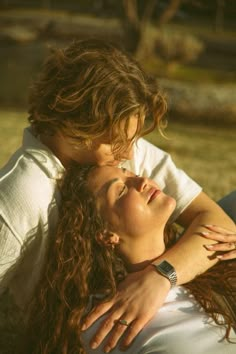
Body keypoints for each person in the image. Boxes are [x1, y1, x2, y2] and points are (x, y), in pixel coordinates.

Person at [0, 38, 235, 352]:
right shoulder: (22, 194)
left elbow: (219, 223)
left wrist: (159, 277)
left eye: (133, 138)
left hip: (157, 279)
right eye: (115, 141)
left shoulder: (118, 153)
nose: (129, 153)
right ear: (72, 127)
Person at [24, 164, 236, 354]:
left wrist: (161, 276)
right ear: (106, 235)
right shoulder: (109, 321)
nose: (142, 181)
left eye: (131, 173)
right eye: (122, 190)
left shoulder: (209, 259)